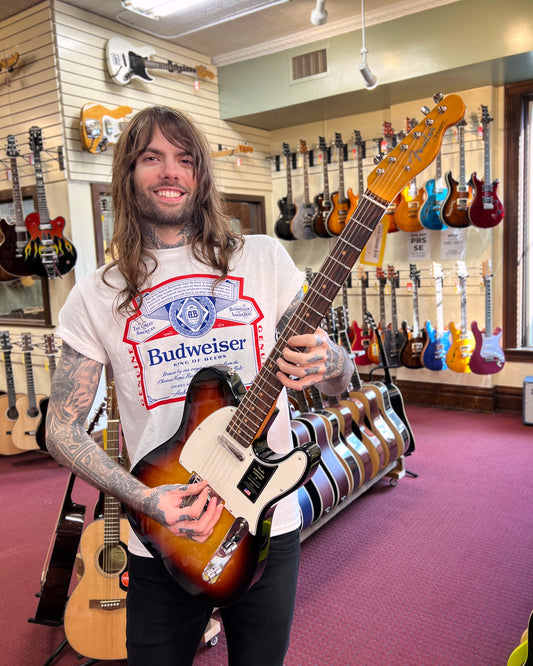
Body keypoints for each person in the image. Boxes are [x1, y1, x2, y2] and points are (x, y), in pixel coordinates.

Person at [46, 105, 354, 666]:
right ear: (127, 173)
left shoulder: (262, 258)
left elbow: (338, 381)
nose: (171, 172)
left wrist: (330, 361)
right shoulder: (96, 294)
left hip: (266, 519)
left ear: (201, 175)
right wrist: (147, 500)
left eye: (185, 159)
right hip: (162, 533)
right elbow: (60, 428)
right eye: (152, 158)